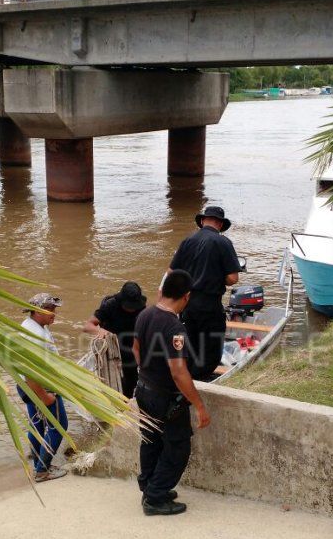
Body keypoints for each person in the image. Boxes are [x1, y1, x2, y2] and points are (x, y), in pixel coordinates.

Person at [133, 269, 210, 516]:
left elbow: (136, 349)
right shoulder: (175, 327)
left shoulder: (145, 314)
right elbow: (179, 372)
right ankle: (155, 498)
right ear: (186, 296)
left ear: (163, 291)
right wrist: (199, 405)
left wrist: (148, 371)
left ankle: (150, 487)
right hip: (164, 397)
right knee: (177, 447)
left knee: (151, 440)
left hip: (143, 388)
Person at [168, 205, 241, 380]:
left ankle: (187, 379)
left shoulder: (187, 241)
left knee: (190, 344)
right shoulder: (223, 242)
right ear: (221, 225)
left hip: (186, 304)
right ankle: (200, 381)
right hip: (210, 305)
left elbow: (172, 274)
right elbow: (232, 278)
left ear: (202, 221)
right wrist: (215, 276)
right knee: (211, 350)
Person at [19, 293, 69, 483]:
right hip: (39, 387)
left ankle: (39, 463)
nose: (54, 313)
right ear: (37, 311)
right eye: (50, 309)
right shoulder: (35, 335)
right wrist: (44, 396)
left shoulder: (33, 326)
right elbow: (31, 371)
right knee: (58, 426)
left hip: (27, 386)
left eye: (54, 309)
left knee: (37, 426)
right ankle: (42, 470)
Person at [83, 281, 147, 398]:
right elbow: (88, 326)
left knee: (130, 386)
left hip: (131, 351)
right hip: (111, 351)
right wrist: (101, 331)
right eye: (128, 306)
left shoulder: (141, 308)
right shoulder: (110, 305)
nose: (131, 309)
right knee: (111, 386)